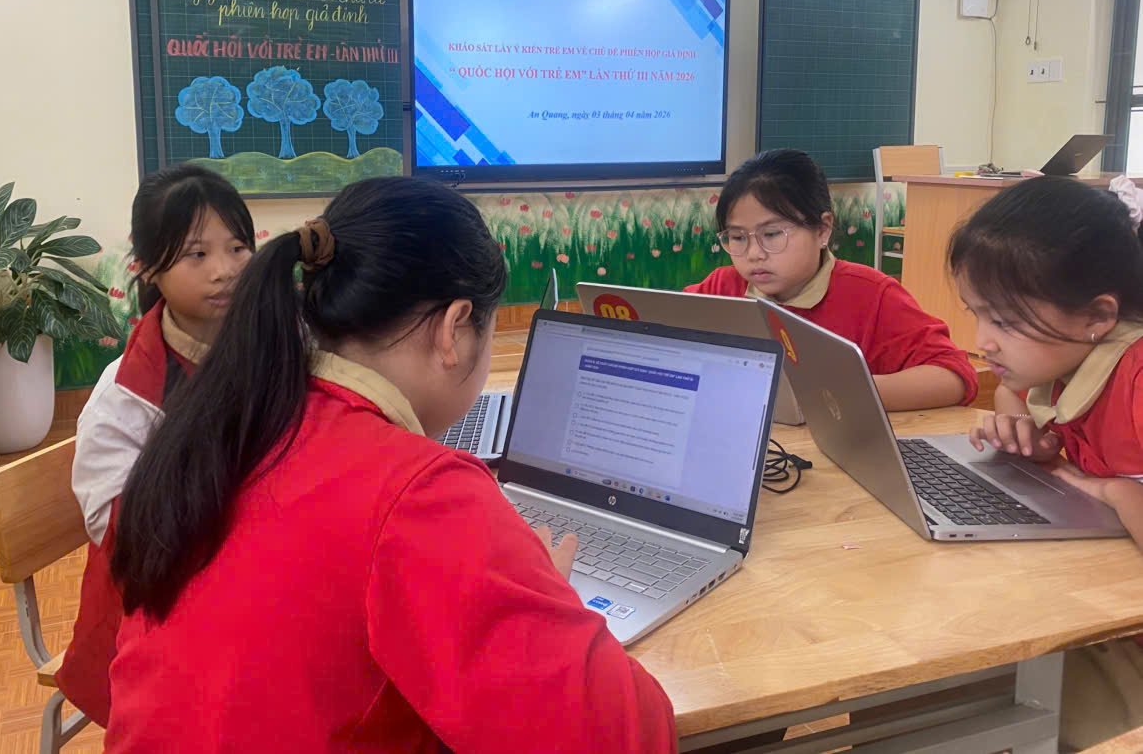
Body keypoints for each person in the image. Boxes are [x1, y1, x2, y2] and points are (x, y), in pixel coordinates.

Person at [103, 177, 676, 753]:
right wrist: (549, 599)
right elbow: (627, 736)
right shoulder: (418, 491)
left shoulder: (228, 424)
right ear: (454, 329)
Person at [948, 174, 1143, 750]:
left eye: (1005, 321)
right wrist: (1033, 437)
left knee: (946, 688)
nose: (983, 340)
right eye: (975, 313)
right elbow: (1015, 397)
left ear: (1097, 315)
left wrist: (1114, 492)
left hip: (1123, 642)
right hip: (1104, 614)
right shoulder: (1070, 357)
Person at [58, 165, 256, 726]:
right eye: (197, 254)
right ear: (148, 267)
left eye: (237, 248)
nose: (224, 270)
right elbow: (119, 530)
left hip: (251, 586)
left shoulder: (275, 344)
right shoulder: (126, 394)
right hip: (157, 609)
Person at [686, 149, 976, 410]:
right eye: (737, 237)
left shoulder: (872, 295)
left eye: (772, 234)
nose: (753, 254)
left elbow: (955, 377)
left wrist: (840, 392)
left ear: (823, 229)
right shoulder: (722, 288)